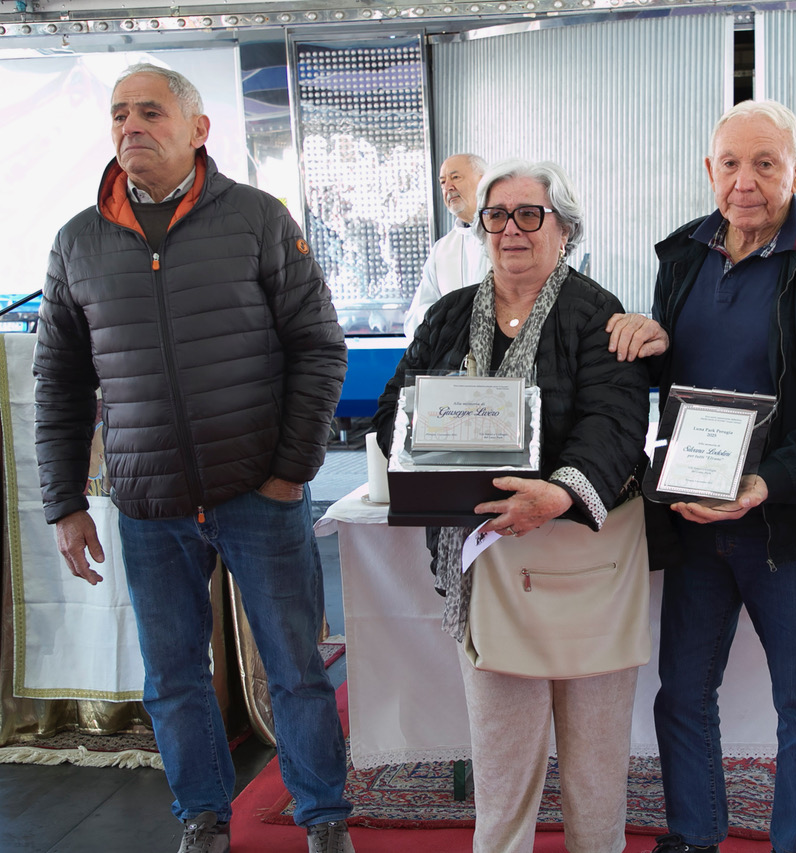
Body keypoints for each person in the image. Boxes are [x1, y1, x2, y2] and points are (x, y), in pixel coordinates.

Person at [32, 64, 355, 853]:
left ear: (198, 128)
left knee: (296, 669)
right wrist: (64, 501)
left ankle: (324, 818)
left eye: (151, 112)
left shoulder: (256, 219)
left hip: (260, 491)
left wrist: (290, 470)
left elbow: (318, 346)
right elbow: (60, 382)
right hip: (150, 503)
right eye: (119, 114)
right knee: (172, 676)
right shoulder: (77, 242)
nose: (131, 127)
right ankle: (204, 815)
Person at [608, 100, 796, 853]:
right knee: (683, 696)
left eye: (766, 163)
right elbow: (681, 374)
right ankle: (696, 835)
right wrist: (647, 342)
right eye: (730, 163)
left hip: (785, 527)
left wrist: (768, 482)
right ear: (709, 171)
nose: (746, 181)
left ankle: (795, 844)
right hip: (695, 522)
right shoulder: (683, 256)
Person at [373, 159, 650, 853]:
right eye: (497, 215)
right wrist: (428, 449)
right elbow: (391, 414)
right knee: (501, 777)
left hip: (586, 570)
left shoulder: (598, 314)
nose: (511, 229)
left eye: (531, 214)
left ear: (566, 228)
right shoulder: (445, 317)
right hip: (487, 572)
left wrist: (557, 493)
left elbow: (616, 425)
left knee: (593, 773)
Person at [403, 153, 490, 335]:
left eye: (455, 177)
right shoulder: (442, 250)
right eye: (442, 182)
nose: (448, 187)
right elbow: (414, 319)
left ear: (484, 181)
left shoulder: (510, 235)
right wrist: (445, 318)